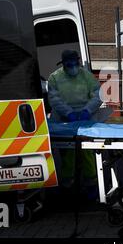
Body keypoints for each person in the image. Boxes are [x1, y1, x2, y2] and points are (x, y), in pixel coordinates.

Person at [48, 50, 104, 194]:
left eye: (75, 64)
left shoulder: (87, 76)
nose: (73, 67)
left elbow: (98, 95)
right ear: (63, 64)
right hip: (64, 119)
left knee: (87, 151)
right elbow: (54, 99)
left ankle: (91, 183)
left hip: (86, 116)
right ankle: (68, 183)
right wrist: (68, 113)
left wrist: (87, 110)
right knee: (68, 152)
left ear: (78, 62)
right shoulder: (55, 78)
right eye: (69, 65)